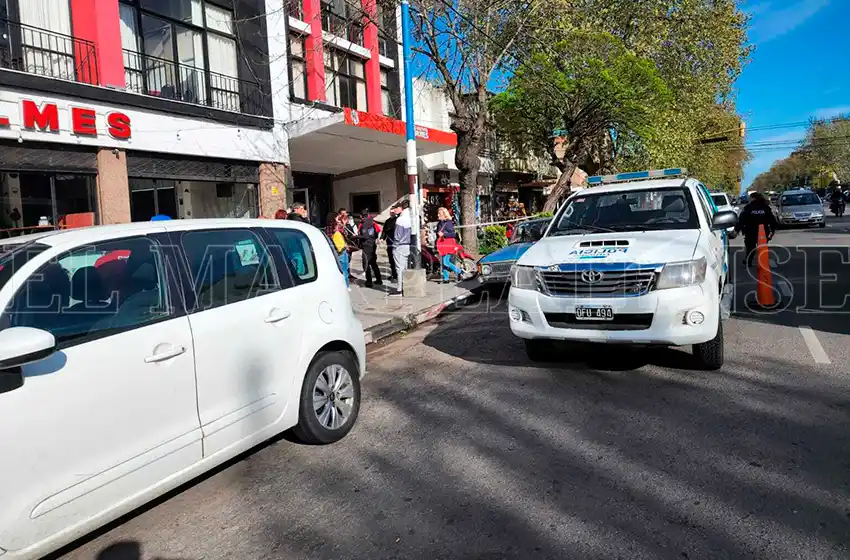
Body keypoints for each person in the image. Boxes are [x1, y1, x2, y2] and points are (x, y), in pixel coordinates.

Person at [735, 192, 777, 267]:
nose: (749, 199)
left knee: (750, 247)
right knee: (762, 247)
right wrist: (773, 229)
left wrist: (737, 229)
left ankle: (749, 260)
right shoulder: (765, 207)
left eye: (750, 197)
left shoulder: (748, 207)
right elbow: (771, 219)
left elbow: (742, 219)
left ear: (753, 198)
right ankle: (762, 261)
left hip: (750, 231)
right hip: (763, 232)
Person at [435, 206, 464, 283]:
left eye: (439, 214)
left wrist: (444, 234)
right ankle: (446, 278)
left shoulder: (449, 223)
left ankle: (459, 271)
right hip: (442, 244)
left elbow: (453, 234)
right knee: (444, 261)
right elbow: (437, 233)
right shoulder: (439, 223)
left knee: (445, 262)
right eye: (438, 213)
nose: (438, 215)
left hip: (448, 244)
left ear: (444, 215)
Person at [355, 208, 382, 288]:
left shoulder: (364, 224)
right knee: (373, 262)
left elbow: (364, 236)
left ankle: (369, 282)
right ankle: (379, 279)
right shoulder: (372, 222)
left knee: (366, 263)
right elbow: (378, 230)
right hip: (372, 245)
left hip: (366, 245)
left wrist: (355, 237)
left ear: (361, 216)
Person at [391, 200, 412, 296]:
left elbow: (397, 236)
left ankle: (400, 289)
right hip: (408, 244)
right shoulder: (412, 217)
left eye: (396, 208)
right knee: (405, 267)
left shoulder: (400, 219)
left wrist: (394, 246)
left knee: (399, 268)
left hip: (399, 245)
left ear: (401, 208)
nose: (394, 210)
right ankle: (406, 287)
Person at [381, 204, 400, 282]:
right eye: (390, 212)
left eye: (393, 212)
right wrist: (382, 238)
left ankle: (398, 275)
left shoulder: (398, 220)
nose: (391, 214)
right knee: (391, 259)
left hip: (396, 242)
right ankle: (393, 274)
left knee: (396, 259)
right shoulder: (387, 221)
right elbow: (384, 231)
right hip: (389, 243)